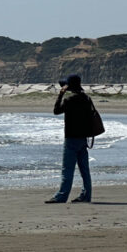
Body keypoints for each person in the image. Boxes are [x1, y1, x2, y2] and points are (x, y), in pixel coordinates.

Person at [45, 74, 93, 204]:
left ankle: (62, 196)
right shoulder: (86, 99)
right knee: (84, 169)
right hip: (83, 138)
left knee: (67, 170)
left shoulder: (70, 100)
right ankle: (86, 195)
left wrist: (60, 94)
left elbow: (56, 111)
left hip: (71, 138)